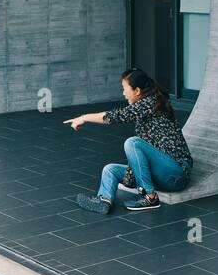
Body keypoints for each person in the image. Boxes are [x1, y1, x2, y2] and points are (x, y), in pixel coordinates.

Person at [66, 67, 193, 213]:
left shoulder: (150, 103)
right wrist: (132, 175)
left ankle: (150, 197)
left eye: (124, 88)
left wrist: (84, 118)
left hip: (177, 174)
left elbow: (117, 116)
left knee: (133, 142)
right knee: (110, 170)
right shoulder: (144, 109)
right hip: (159, 174)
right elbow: (142, 160)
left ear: (137, 91)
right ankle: (104, 200)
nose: (123, 93)